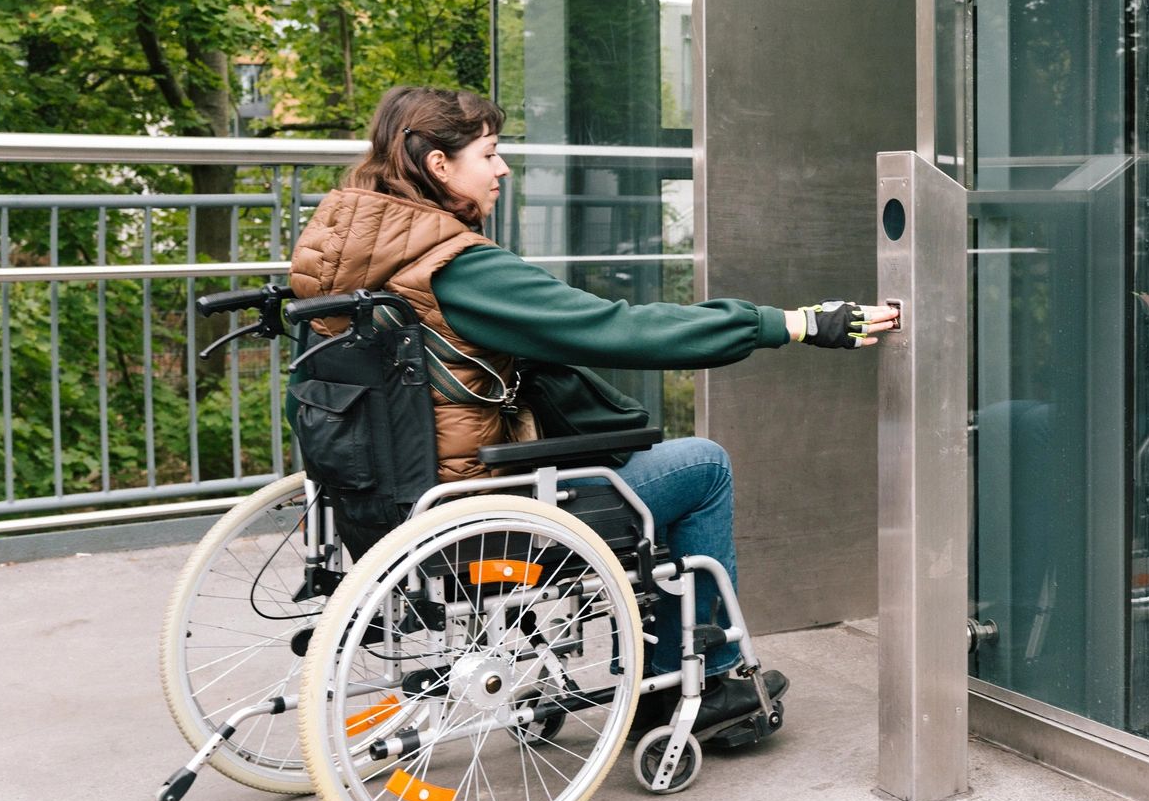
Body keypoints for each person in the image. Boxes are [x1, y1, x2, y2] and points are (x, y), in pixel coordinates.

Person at [288, 84, 894, 688]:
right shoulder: (458, 267)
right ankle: (703, 680)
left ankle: (669, 658)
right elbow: (617, 328)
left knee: (649, 462)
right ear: (439, 165)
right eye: (491, 153)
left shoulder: (341, 262)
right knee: (701, 465)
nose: (503, 169)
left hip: (383, 510)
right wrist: (790, 323)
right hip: (478, 518)